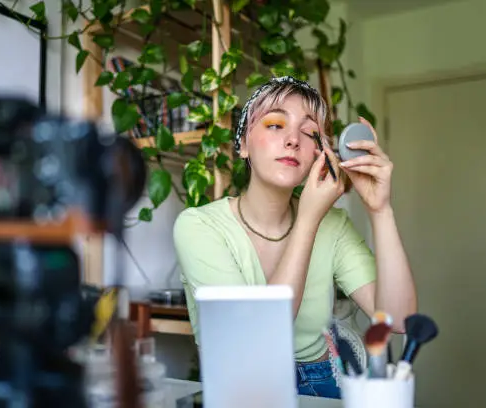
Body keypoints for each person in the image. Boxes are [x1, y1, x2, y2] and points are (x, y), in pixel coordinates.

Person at [172, 76, 417, 399]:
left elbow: (398, 320)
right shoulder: (198, 226)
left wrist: (380, 208)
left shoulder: (334, 225)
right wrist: (308, 220)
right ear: (243, 144)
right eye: (275, 125)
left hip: (324, 383)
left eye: (309, 131)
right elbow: (257, 341)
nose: (292, 140)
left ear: (320, 152)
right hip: (241, 387)